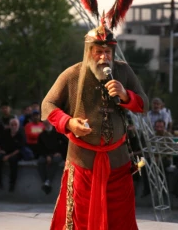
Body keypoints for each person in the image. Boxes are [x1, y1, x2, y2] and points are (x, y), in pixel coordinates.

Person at [41, 20, 148, 230]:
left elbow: (143, 103)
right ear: (88, 51)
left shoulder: (123, 72)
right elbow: (47, 104)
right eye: (98, 51)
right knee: (80, 220)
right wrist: (69, 123)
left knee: (120, 221)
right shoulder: (73, 74)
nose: (103, 57)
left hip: (118, 164)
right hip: (83, 164)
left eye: (107, 52)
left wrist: (126, 95)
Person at [0, 118, 24, 192]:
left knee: (13, 161)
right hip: (5, 152)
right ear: (9, 125)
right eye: (12, 125)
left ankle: (12, 184)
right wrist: (0, 151)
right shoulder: (5, 132)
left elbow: (19, 149)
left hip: (15, 153)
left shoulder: (21, 134)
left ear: (18, 125)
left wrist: (8, 156)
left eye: (15, 124)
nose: (13, 126)